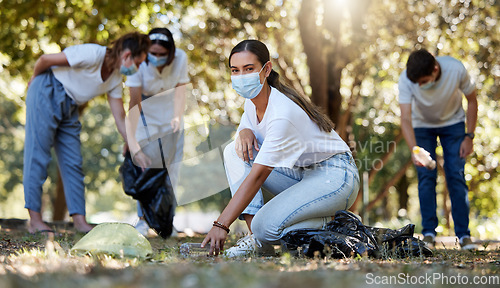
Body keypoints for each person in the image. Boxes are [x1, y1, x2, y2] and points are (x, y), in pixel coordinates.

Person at [201, 40, 360, 257]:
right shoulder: (252, 102)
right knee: (234, 151)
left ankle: (337, 221)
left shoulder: (282, 111)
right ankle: (255, 239)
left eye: (249, 69)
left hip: (335, 177)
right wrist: (243, 130)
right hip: (302, 174)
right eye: (235, 70)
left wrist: (221, 224)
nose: (241, 76)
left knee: (266, 228)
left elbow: (258, 176)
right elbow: (248, 135)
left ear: (266, 69)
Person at [24, 32, 151, 234]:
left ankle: (80, 222)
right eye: (139, 62)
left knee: (73, 162)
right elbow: (45, 59)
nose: (138, 68)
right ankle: (35, 221)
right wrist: (33, 81)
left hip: (70, 106)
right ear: (127, 55)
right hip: (47, 89)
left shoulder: (116, 79)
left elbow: (120, 117)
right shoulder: (92, 53)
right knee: (38, 155)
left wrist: (136, 150)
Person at [398, 49, 478, 250]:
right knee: (425, 176)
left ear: (435, 70)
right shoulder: (407, 79)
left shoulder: (455, 69)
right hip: (422, 126)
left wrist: (469, 136)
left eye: (423, 81)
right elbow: (405, 118)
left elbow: (473, 100)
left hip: (454, 125)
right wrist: (415, 150)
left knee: (455, 174)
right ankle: (428, 234)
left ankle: (464, 235)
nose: (419, 87)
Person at [124, 27, 189, 236]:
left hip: (172, 118)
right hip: (146, 118)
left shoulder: (180, 58)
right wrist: (131, 137)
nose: (157, 57)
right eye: (153, 53)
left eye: (162, 54)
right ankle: (143, 220)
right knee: (146, 170)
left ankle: (166, 221)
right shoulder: (138, 63)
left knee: (172, 171)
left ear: (170, 53)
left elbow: (181, 92)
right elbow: (134, 102)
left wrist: (177, 117)